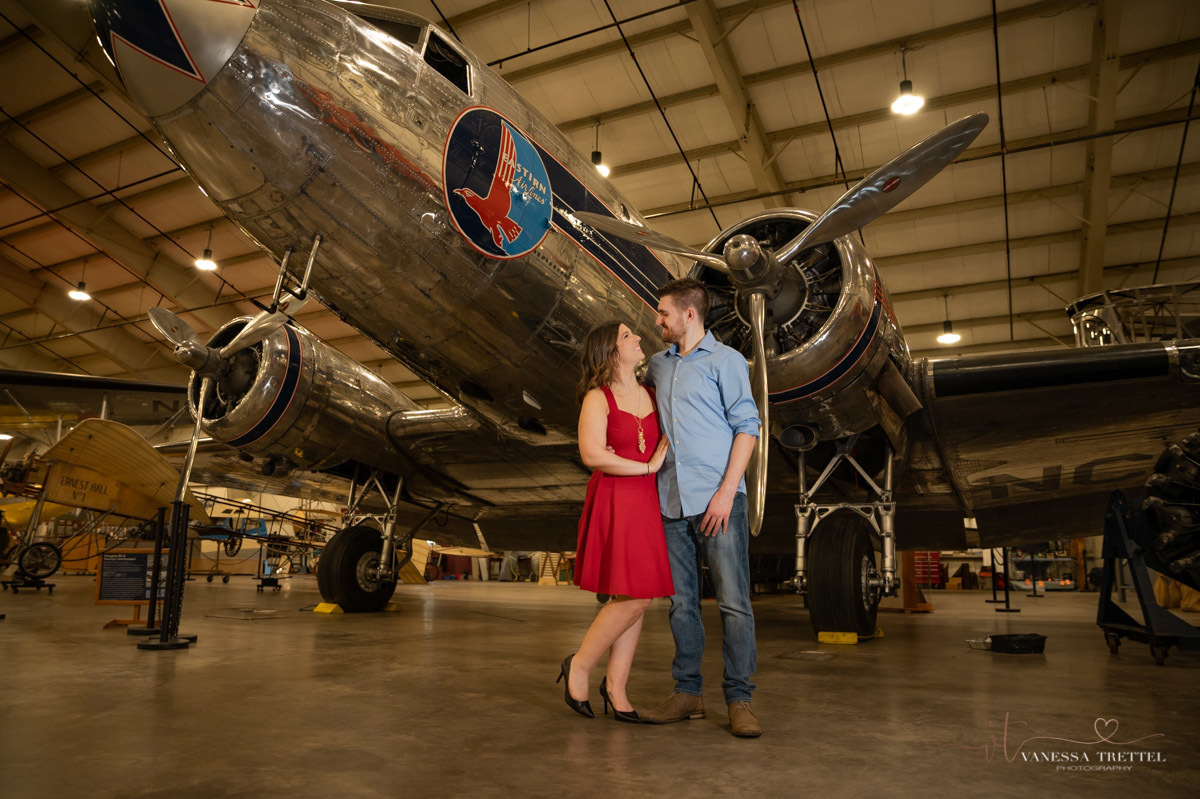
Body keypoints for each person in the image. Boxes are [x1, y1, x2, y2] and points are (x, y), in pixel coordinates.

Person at [640, 277, 763, 738]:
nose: (658, 320)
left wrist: (727, 491)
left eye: (663, 312)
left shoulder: (728, 361)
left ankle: (740, 698)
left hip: (719, 500)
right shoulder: (658, 364)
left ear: (689, 315)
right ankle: (687, 693)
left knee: (734, 603)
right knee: (681, 604)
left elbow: (747, 427)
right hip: (671, 498)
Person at [559, 321, 674, 723]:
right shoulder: (597, 397)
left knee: (633, 598)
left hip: (645, 502)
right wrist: (646, 467)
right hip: (617, 498)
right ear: (610, 351)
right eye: (627, 336)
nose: (638, 338)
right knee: (638, 595)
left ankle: (617, 688)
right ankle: (579, 665)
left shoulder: (652, 394)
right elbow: (592, 455)